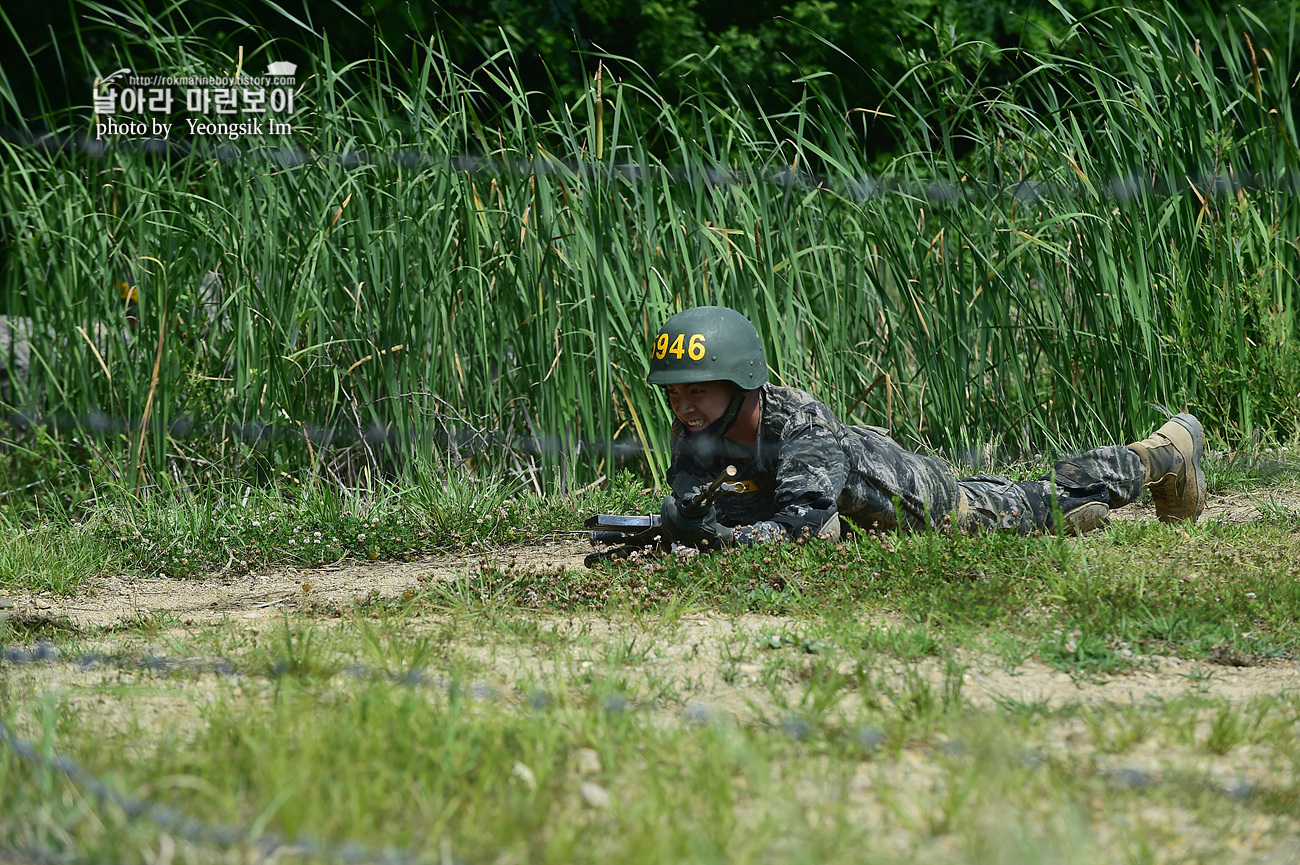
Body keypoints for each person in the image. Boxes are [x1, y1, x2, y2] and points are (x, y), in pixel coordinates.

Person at [648, 306, 1206, 548]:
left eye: (698, 389)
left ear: (741, 381)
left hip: (927, 503)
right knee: (1061, 510)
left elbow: (802, 530)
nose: (684, 406)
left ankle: (1161, 455)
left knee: (1045, 505)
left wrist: (719, 538)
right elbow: (706, 503)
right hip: (865, 517)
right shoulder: (697, 430)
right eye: (675, 392)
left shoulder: (800, 426)